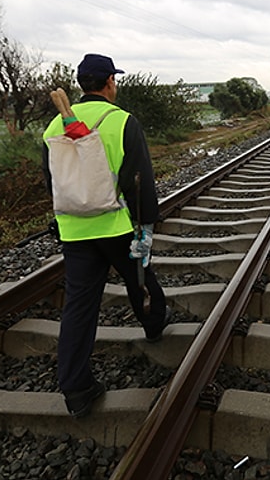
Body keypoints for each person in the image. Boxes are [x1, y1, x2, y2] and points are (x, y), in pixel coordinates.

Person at [41, 53, 170, 418]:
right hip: (116, 226)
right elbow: (139, 181)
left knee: (79, 306)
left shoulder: (53, 128)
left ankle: (77, 389)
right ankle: (154, 325)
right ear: (110, 82)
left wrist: (61, 219)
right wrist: (145, 228)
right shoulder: (121, 121)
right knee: (141, 280)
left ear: (83, 84)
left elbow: (54, 181)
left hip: (75, 230)